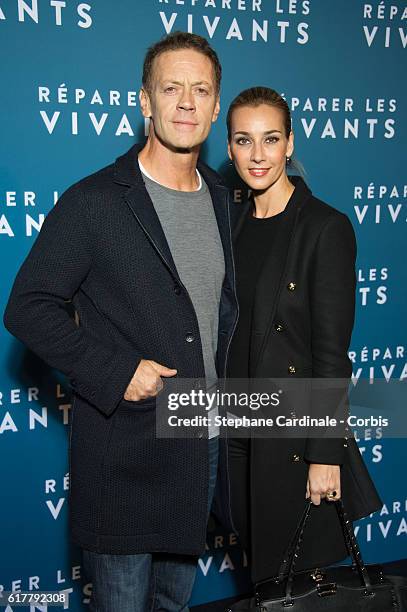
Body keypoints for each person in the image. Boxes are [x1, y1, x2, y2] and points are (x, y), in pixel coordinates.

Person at [3, 32, 238, 612]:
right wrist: (118, 371)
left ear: (215, 105)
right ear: (144, 101)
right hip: (123, 454)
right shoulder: (95, 202)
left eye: (200, 90)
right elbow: (27, 305)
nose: (186, 102)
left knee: (174, 604)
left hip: (198, 449)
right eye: (172, 87)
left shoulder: (223, 199)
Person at [225, 86, 382, 585]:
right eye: (244, 141)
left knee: (292, 585)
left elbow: (332, 355)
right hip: (236, 438)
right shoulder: (231, 225)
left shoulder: (324, 227)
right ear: (228, 149)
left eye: (270, 139)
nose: (258, 155)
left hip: (294, 441)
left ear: (290, 144)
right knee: (262, 584)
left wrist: (324, 454)